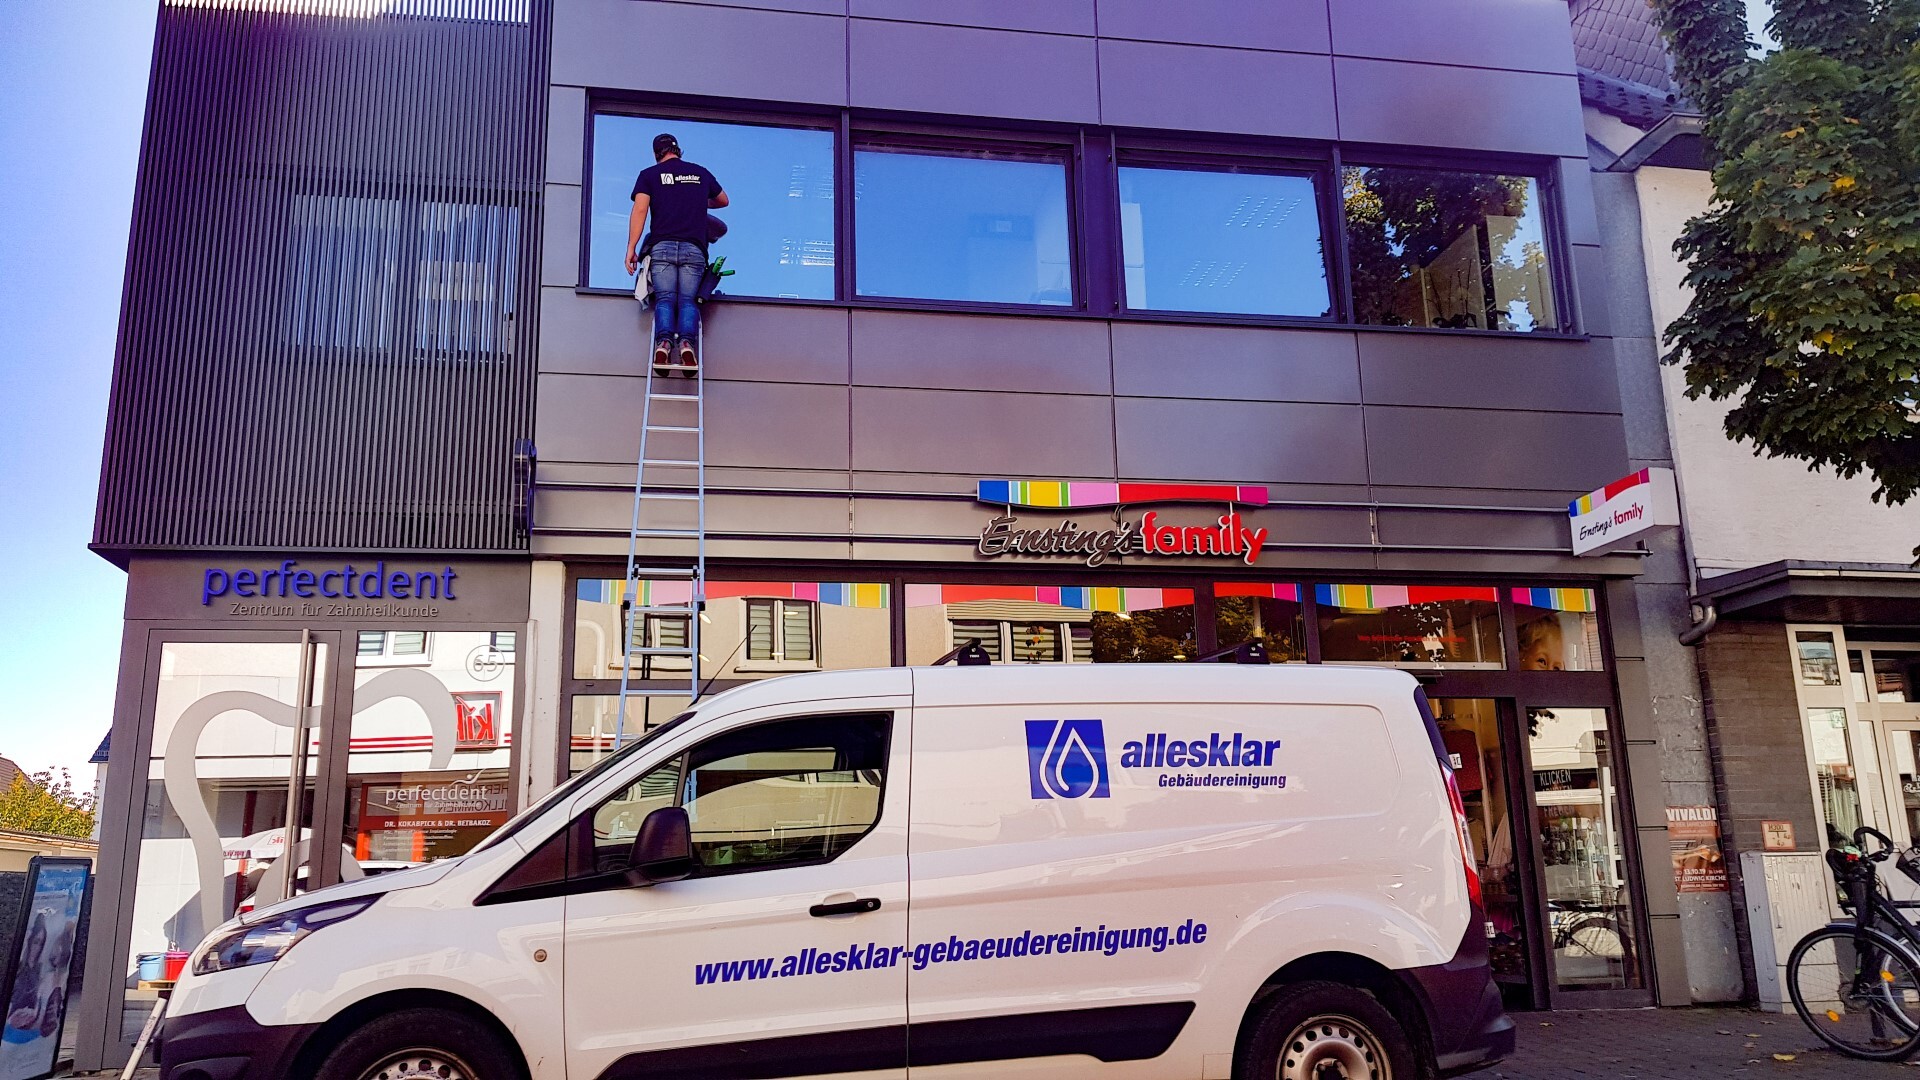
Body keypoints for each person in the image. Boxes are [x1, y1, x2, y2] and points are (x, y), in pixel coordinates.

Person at [624, 133, 728, 374]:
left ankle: (663, 344)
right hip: (694, 249)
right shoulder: (699, 173)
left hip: (662, 247)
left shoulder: (648, 175)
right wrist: (698, 199)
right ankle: (686, 346)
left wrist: (631, 247)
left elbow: (640, 210)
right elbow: (723, 200)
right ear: (678, 150)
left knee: (665, 300)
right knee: (688, 301)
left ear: (656, 153)